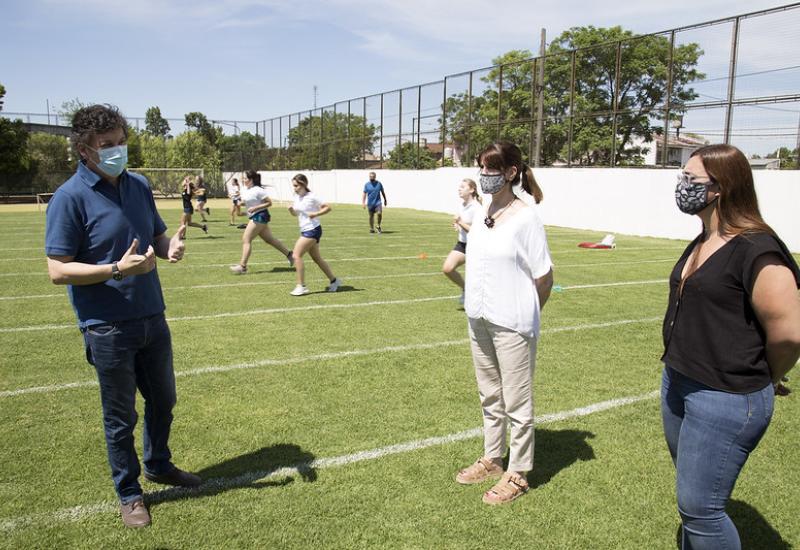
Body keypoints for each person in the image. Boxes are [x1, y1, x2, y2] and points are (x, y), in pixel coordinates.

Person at [44, 104, 202, 529]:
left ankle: (159, 464)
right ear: (84, 150)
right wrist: (115, 269)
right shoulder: (69, 198)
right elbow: (58, 270)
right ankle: (130, 493)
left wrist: (170, 248)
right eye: (107, 145)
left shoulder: (139, 185)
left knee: (164, 401)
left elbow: (156, 235)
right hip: (107, 327)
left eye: (121, 142)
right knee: (120, 417)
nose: (117, 151)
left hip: (153, 316)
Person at [661, 144, 800, 549]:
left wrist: (765, 376)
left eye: (691, 179)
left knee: (701, 509)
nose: (681, 185)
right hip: (680, 382)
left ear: (721, 187)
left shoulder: (758, 249)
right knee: (692, 499)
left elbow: (789, 333)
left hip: (725, 395)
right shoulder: (706, 237)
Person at [456, 141, 552, 506]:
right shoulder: (481, 214)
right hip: (478, 316)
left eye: (491, 169)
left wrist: (527, 311)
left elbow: (544, 276)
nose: (484, 176)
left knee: (517, 400)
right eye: (480, 167)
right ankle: (493, 459)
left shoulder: (526, 217)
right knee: (489, 395)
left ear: (511, 173)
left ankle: (519, 471)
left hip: (512, 322)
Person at [229, 170, 293, 274]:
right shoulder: (246, 189)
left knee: (246, 239)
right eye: (243, 178)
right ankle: (290, 255)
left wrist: (255, 208)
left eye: (245, 178)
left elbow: (269, 203)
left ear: (251, 180)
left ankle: (242, 266)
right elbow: (249, 202)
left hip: (260, 216)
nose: (243, 180)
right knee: (270, 240)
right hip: (255, 216)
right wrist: (240, 203)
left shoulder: (258, 190)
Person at [287, 173, 341, 295]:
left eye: (296, 186)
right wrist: (291, 210)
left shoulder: (312, 197)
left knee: (296, 255)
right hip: (305, 230)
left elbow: (328, 207)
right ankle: (334, 280)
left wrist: (316, 214)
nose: (294, 188)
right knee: (317, 259)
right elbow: (296, 214)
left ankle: (301, 286)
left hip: (313, 230)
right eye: (293, 186)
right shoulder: (297, 197)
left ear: (303, 184)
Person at [442, 178, 482, 305]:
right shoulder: (462, 205)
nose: (459, 189)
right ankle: (466, 289)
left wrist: (460, 222)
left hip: (476, 246)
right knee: (447, 269)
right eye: (459, 187)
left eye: (463, 187)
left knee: (479, 278)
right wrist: (458, 225)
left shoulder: (477, 208)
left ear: (472, 190)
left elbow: (476, 232)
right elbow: (463, 224)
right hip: (462, 244)